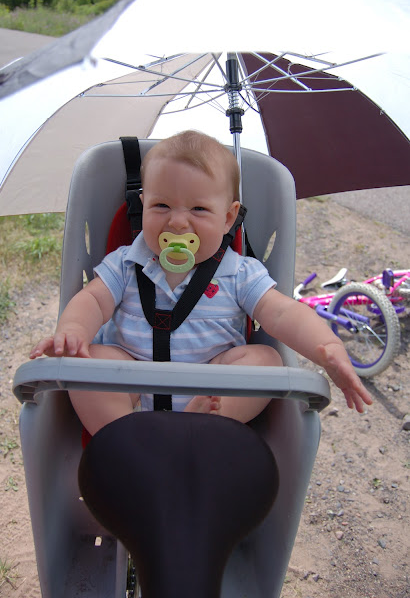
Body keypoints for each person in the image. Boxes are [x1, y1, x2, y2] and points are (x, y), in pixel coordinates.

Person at [30, 130, 372, 435]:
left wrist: (328, 348)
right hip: (129, 392)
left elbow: (283, 313)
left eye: (198, 209)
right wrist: (73, 329)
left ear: (228, 218)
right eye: (161, 205)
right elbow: (92, 300)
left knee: (266, 359)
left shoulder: (240, 273)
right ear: (142, 206)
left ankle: (206, 423)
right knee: (90, 361)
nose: (178, 222)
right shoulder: (125, 263)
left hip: (209, 393)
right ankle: (125, 436)